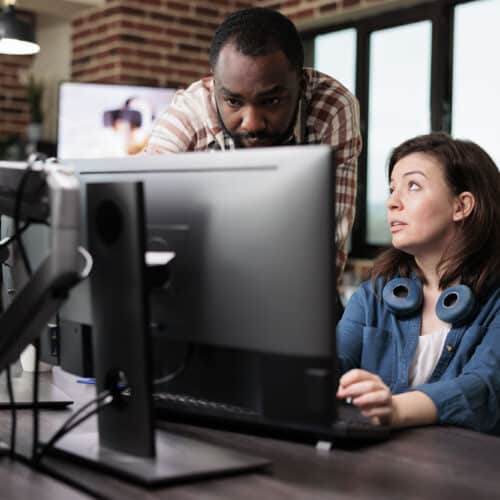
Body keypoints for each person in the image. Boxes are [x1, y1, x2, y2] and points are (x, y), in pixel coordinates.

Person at [144, 7, 362, 283]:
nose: (252, 124)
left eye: (271, 101)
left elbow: (328, 250)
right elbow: (142, 218)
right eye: (234, 102)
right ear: (214, 84)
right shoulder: (188, 114)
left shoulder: (332, 107)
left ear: (301, 82)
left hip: (295, 286)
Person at [336, 132, 500, 434]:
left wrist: (396, 407)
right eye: (391, 189)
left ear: (461, 206)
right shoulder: (372, 295)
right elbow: (334, 362)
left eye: (413, 186)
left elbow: (485, 389)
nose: (392, 202)